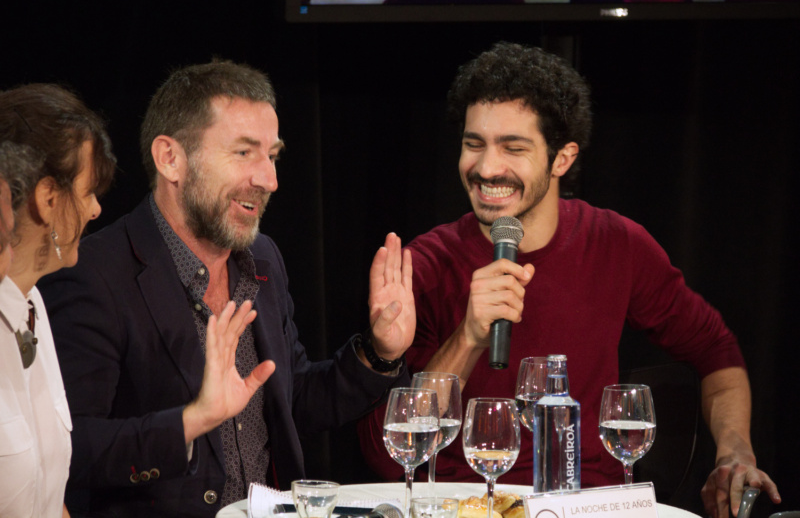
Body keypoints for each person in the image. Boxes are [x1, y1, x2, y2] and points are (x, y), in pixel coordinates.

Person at [356, 42, 780, 518]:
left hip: (590, 508)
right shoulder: (426, 263)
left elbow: (716, 353)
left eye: (513, 147)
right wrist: (469, 337)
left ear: (562, 159)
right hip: (466, 508)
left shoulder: (617, 244)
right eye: (474, 144)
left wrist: (734, 453)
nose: (486, 167)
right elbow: (388, 456)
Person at [38, 60, 415, 517]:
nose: (269, 180)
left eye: (272, 156)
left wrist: (379, 353)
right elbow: (70, 450)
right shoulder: (97, 272)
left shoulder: (263, 259)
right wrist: (191, 421)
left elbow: (290, 399)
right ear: (170, 159)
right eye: (244, 153)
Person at [0, 85, 117, 518]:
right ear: (48, 199)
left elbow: (48, 500)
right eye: (88, 192)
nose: (95, 210)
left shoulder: (34, 305)